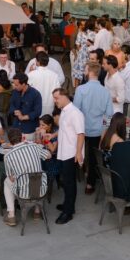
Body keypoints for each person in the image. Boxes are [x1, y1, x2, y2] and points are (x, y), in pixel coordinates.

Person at [0, 127, 51, 227]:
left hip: (23, 192)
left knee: (7, 181)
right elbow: (48, 155)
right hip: (41, 189)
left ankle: (11, 215)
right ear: (22, 137)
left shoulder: (8, 155)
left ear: (10, 141)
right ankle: (37, 211)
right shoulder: (34, 146)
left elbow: (11, 178)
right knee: (35, 178)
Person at [74, 61, 109, 193]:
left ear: (90, 72)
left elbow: (76, 111)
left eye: (85, 70)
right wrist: (104, 132)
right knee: (94, 157)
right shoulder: (105, 91)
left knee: (79, 152)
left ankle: (80, 173)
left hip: (82, 128)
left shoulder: (80, 89)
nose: (83, 72)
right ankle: (90, 183)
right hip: (98, 129)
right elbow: (108, 116)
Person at [52, 88, 85, 224]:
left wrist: (78, 153)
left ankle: (69, 212)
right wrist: (52, 135)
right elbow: (64, 129)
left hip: (71, 153)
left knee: (69, 183)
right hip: (63, 152)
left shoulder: (75, 113)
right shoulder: (64, 111)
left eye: (56, 98)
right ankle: (67, 204)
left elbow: (80, 134)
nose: (55, 101)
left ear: (65, 96)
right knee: (65, 181)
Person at [27, 52, 61, 118]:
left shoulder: (31, 75)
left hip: (35, 107)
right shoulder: (54, 75)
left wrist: (30, 72)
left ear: (37, 62)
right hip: (50, 106)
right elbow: (58, 92)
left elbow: (27, 90)